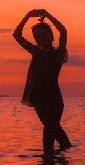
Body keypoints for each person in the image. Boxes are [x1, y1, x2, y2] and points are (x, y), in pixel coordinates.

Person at [13, 8, 72, 151]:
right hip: (39, 100)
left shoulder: (58, 54)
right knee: (53, 133)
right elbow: (16, 35)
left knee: (49, 135)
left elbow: (63, 32)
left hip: (53, 100)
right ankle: (62, 162)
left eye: (42, 35)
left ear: (50, 36)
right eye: (36, 37)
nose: (39, 39)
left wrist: (48, 15)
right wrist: (27, 15)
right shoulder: (36, 52)